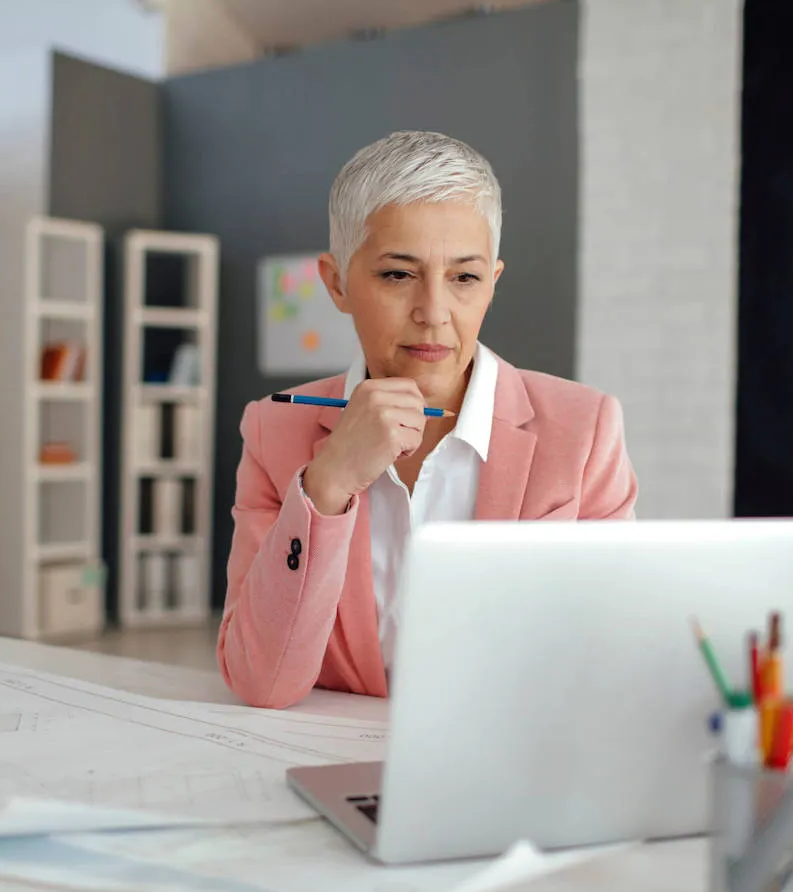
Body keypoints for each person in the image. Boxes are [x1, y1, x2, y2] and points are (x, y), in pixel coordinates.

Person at [218, 130, 638, 709]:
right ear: (337, 282)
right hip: (336, 763)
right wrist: (327, 485)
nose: (434, 314)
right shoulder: (273, 432)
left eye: (463, 278)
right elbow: (262, 682)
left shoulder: (585, 429)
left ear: (491, 283)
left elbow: (614, 658)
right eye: (397, 275)